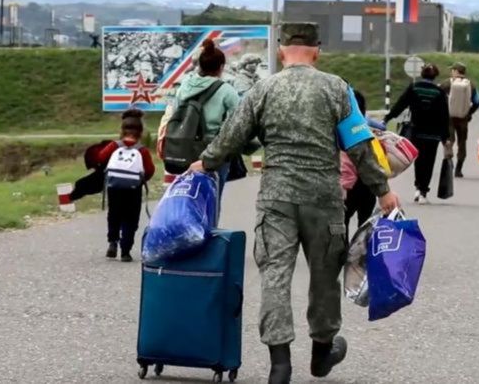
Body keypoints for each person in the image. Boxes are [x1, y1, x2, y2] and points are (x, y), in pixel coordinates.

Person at [189, 22, 398, 384]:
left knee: (275, 277)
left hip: (276, 199)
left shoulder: (263, 89)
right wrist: (383, 190)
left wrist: (205, 162)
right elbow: (360, 146)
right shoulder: (338, 89)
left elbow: (232, 136)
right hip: (325, 199)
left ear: (281, 51)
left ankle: (279, 365)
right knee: (325, 279)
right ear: (317, 51)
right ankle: (321, 354)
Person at [170, 39, 240, 200]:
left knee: (187, 196)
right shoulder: (227, 91)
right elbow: (237, 123)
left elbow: (175, 113)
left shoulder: (185, 86)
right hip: (214, 152)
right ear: (221, 67)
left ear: (200, 65)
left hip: (185, 149)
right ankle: (207, 225)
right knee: (211, 200)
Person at [384, 63, 450, 204]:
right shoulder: (439, 92)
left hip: (416, 132)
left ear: (422, 74)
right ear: (435, 76)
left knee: (418, 161)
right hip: (433, 135)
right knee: (429, 161)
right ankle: (423, 192)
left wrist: (387, 118)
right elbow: (444, 116)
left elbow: (400, 104)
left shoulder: (414, 88)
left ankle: (417, 187)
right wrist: (446, 138)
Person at [97, 109, 156, 262]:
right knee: (130, 218)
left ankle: (112, 242)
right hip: (133, 189)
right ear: (141, 131)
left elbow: (100, 157)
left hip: (114, 187)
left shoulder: (114, 146)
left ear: (122, 129)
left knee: (114, 215)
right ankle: (125, 251)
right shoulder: (142, 150)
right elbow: (149, 171)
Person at [341, 89, 377, 231]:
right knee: (365, 226)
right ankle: (361, 252)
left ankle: (344, 252)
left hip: (345, 186)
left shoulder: (337, 130)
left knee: (342, 224)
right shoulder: (367, 129)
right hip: (367, 184)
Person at [442, 62, 479, 178]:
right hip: (463, 119)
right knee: (462, 143)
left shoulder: (447, 83)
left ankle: (449, 161)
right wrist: (469, 112)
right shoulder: (470, 85)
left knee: (449, 141)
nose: (451, 72)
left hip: (449, 118)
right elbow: (477, 101)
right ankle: (458, 170)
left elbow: (438, 97)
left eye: (452, 70)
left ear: (456, 71)